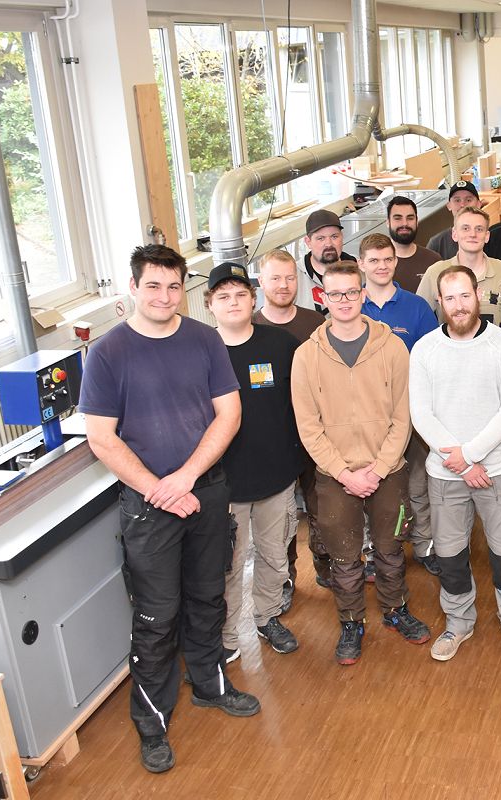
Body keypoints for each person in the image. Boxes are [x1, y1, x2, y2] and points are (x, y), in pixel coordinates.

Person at [80, 245, 259, 774]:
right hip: (148, 505)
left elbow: (229, 414)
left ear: (185, 289)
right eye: (153, 286)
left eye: (174, 286)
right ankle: (152, 721)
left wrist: (185, 478)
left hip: (205, 490)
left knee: (207, 597)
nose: (164, 296)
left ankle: (209, 684)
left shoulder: (204, 340)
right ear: (132, 289)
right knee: (157, 617)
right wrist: (159, 487)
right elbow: (101, 438)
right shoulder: (109, 353)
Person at [290, 261, 430, 665]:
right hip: (335, 475)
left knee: (390, 548)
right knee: (345, 556)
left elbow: (403, 417)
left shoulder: (393, 348)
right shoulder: (306, 357)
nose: (345, 301)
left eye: (353, 292)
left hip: (387, 469)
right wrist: (345, 473)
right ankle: (351, 621)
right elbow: (308, 426)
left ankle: (395, 609)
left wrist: (378, 468)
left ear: (363, 294)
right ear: (323, 298)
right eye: (336, 294)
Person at [408, 265, 501, 664]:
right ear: (439, 302)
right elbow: (421, 415)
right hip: (446, 475)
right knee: (450, 557)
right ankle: (458, 624)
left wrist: (472, 454)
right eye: (450, 298)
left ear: (477, 295)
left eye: (465, 295)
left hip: (498, 471)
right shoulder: (426, 349)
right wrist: (463, 465)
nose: (459, 305)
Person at [205, 263, 302, 658]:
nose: (233, 303)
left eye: (240, 294)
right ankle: (227, 636)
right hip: (223, 483)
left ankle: (267, 616)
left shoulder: (280, 345)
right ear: (210, 304)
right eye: (223, 296)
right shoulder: (200, 351)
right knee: (227, 566)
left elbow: (301, 405)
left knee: (275, 556)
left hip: (276, 477)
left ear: (253, 297)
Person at [357, 232, 441, 576]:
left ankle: (425, 545)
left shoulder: (417, 307)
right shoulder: (350, 307)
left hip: (413, 411)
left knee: (420, 484)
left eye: (387, 259)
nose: (381, 266)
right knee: (371, 487)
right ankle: (375, 552)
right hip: (365, 416)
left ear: (395, 262)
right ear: (361, 264)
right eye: (373, 260)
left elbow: (433, 361)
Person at [253, 249, 329, 608]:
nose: (283, 286)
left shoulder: (315, 323)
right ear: (261, 281)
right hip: (274, 440)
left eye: (289, 278)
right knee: (282, 520)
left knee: (322, 505)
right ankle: (285, 578)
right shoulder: (250, 326)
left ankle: (326, 562)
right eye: (275, 278)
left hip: (317, 434)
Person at [418, 207, 501, 325]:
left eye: (479, 229)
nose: (473, 234)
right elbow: (417, 319)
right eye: (466, 228)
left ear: (487, 236)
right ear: (455, 234)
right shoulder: (435, 273)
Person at [301, 209, 357, 313]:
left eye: (334, 236)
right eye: (321, 238)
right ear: (308, 242)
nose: (328, 244)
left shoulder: (360, 269)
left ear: (342, 237)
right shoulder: (293, 277)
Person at [385, 195, 441, 293]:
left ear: (416, 221)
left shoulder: (433, 260)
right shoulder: (378, 263)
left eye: (410, 218)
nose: (404, 224)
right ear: (388, 222)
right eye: (398, 218)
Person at [426, 180, 481, 261]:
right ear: (449, 205)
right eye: (457, 200)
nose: (462, 205)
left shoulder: (491, 239)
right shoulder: (437, 243)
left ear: (479, 204)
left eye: (468, 200)